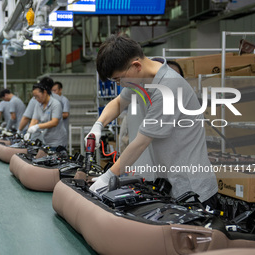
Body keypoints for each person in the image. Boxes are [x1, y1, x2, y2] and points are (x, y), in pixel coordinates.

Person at [86, 35, 218, 209]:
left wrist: (109, 176)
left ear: (136, 66)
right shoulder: (141, 80)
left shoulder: (168, 89)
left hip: (192, 190)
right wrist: (98, 125)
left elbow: (140, 143)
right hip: (168, 183)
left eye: (118, 79)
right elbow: (118, 102)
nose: (121, 85)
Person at [27, 77, 67, 148]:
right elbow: (35, 119)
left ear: (45, 92)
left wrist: (37, 126)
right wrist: (29, 131)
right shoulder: (38, 104)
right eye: (35, 97)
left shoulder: (55, 104)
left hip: (57, 141)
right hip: (46, 140)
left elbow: (54, 122)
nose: (36, 99)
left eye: (38, 96)